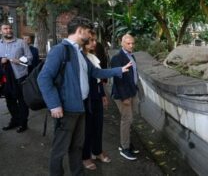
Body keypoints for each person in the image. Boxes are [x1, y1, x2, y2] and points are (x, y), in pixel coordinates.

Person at [37, 16, 132, 176]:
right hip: (66, 110)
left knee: (77, 147)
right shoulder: (60, 50)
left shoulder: (79, 52)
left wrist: (119, 70)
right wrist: (54, 104)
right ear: (80, 31)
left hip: (81, 107)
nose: (90, 36)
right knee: (59, 150)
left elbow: (95, 72)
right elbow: (44, 78)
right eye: (88, 32)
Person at [82, 30, 111, 170]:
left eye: (94, 40)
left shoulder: (93, 57)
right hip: (85, 99)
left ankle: (97, 151)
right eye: (91, 40)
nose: (95, 43)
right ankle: (85, 156)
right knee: (86, 129)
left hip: (97, 97)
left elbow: (98, 80)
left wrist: (103, 96)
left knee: (98, 126)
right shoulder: (79, 57)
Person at [110, 34, 140, 161]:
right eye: (128, 43)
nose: (131, 45)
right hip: (124, 95)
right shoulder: (117, 58)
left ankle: (127, 142)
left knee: (129, 120)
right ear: (122, 43)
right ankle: (124, 148)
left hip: (132, 92)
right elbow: (118, 80)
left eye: (132, 43)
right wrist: (125, 97)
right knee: (126, 120)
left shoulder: (131, 56)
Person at [0, 22, 33, 133]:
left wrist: (19, 61)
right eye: (5, 28)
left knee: (22, 101)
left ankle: (23, 123)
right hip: (5, 79)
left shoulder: (21, 42)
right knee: (9, 101)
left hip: (19, 77)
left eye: (10, 28)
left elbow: (30, 58)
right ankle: (15, 120)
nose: (8, 30)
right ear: (1, 31)